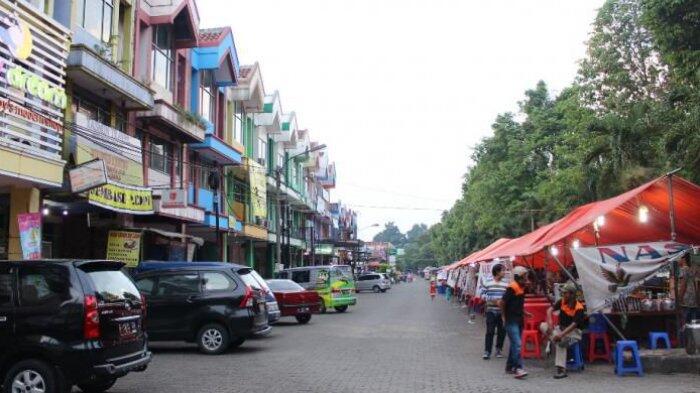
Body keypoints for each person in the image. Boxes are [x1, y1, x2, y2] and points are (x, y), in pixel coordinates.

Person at [539, 282, 586, 379]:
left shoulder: (579, 307)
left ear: (572, 294)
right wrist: (550, 321)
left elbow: (573, 325)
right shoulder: (562, 301)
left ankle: (561, 369)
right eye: (563, 293)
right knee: (543, 326)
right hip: (560, 330)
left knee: (561, 343)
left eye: (566, 293)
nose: (563, 294)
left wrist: (560, 335)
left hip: (574, 333)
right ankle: (557, 339)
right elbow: (549, 310)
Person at [500, 266, 529, 379]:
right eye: (524, 277)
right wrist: (503, 317)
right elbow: (502, 303)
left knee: (514, 344)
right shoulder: (512, 287)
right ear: (518, 277)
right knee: (517, 344)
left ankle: (509, 367)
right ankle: (518, 368)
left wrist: (525, 312)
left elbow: (517, 304)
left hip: (518, 319)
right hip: (511, 320)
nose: (526, 279)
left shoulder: (521, 288)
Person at [481, 264, 508, 359]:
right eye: (503, 271)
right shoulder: (487, 282)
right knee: (490, 331)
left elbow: (507, 296)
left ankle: (499, 349)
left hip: (502, 312)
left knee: (502, 331)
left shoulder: (506, 284)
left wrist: (503, 301)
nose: (504, 272)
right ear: (497, 272)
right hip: (490, 310)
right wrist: (493, 299)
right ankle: (487, 351)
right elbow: (482, 294)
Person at [680, 254, 699, 323]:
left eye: (679, 258)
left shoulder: (683, 269)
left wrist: (679, 298)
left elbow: (683, 285)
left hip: (686, 299)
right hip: (693, 299)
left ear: (683, 259)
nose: (679, 260)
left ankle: (686, 333)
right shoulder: (690, 270)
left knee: (685, 321)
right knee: (693, 321)